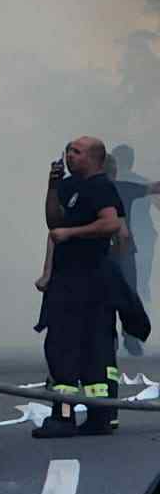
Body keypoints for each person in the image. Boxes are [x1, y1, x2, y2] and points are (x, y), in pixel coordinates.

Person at [34, 136, 124, 440]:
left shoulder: (101, 186)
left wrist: (73, 233)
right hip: (68, 278)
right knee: (79, 344)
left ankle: (68, 417)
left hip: (88, 279)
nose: (69, 155)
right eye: (68, 150)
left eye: (77, 152)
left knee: (68, 345)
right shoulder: (69, 186)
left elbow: (111, 224)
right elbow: (53, 222)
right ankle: (98, 415)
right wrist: (51, 186)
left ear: (95, 158)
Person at [108, 145, 160, 356]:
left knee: (108, 292)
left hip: (116, 245)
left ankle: (111, 337)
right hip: (136, 243)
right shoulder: (133, 183)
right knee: (131, 289)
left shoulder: (117, 185)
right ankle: (130, 337)